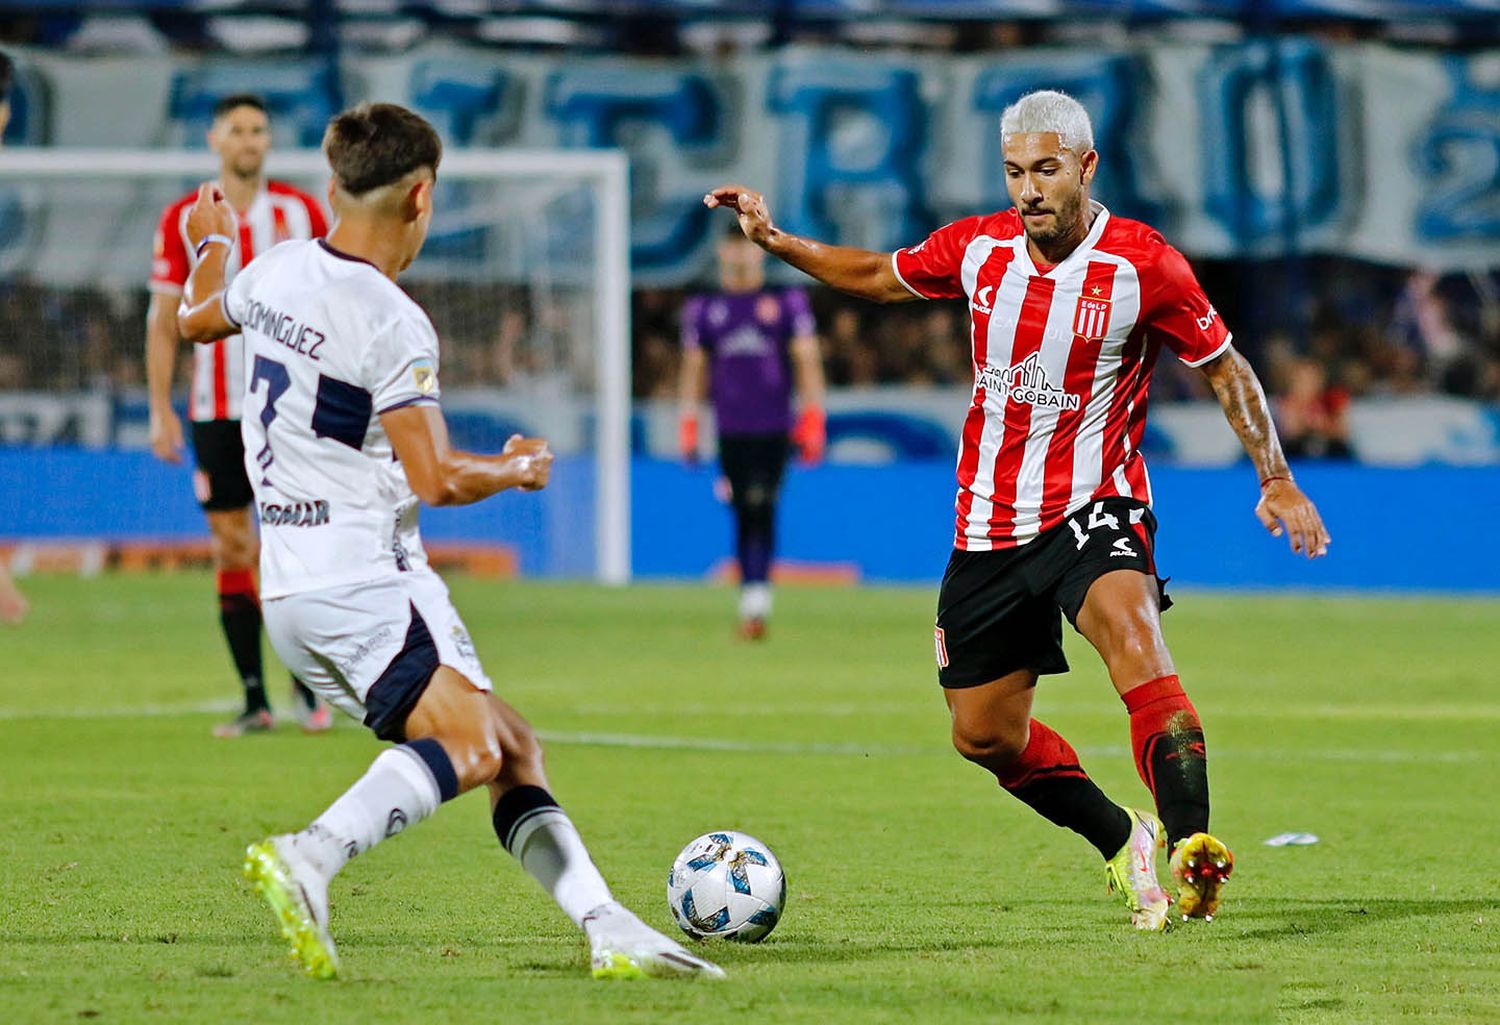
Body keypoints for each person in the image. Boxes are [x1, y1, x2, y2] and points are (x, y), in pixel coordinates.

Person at [705, 90, 1330, 930]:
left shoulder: (1143, 265)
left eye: (1045, 169)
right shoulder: (978, 249)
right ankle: (1121, 838)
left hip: (1095, 506)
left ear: (1085, 166)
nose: (1029, 189)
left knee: (1136, 640)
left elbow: (1226, 367)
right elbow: (876, 275)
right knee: (984, 735)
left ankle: (1192, 851)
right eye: (1014, 172)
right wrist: (777, 241)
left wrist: (1276, 475)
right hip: (989, 526)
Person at [175, 102, 722, 981]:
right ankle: (311, 853)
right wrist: (515, 467)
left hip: (290, 589)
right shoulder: (390, 320)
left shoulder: (275, 269)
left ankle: (606, 923)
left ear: (333, 183)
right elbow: (435, 479)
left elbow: (197, 320)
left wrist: (211, 243)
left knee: (509, 741)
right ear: (421, 197)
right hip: (366, 580)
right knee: (470, 749)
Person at [145, 93, 332, 737]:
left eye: (259, 130)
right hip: (216, 408)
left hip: (292, 406)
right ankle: (254, 697)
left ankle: (308, 689)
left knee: (294, 541)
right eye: (238, 131)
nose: (249, 141)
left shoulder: (301, 213)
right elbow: (165, 319)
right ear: (214, 140)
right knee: (232, 543)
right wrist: (158, 408)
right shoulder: (185, 217)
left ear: (268, 142)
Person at [679, 224, 826, 639]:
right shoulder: (705, 308)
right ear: (722, 252)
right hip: (730, 429)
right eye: (732, 247)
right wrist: (689, 422)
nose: (740, 255)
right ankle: (753, 594)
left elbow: (806, 360)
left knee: (762, 506)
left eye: (746, 247)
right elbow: (694, 367)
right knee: (743, 509)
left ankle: (757, 600)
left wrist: (814, 418)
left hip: (775, 428)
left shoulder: (784, 303)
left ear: (760, 252)